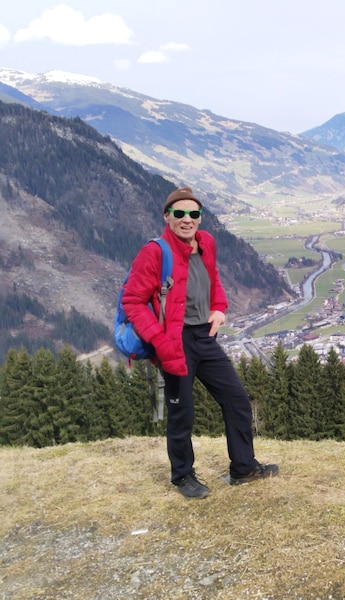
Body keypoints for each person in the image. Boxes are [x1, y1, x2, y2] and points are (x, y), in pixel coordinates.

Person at [122, 186, 278, 499]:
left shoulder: (206, 243)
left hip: (204, 336)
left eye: (194, 213)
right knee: (183, 413)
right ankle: (182, 476)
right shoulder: (155, 252)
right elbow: (133, 301)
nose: (187, 219)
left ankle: (243, 468)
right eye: (179, 213)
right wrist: (160, 341)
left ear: (200, 218)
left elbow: (213, 280)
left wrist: (219, 307)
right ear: (167, 217)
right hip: (173, 340)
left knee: (236, 399)